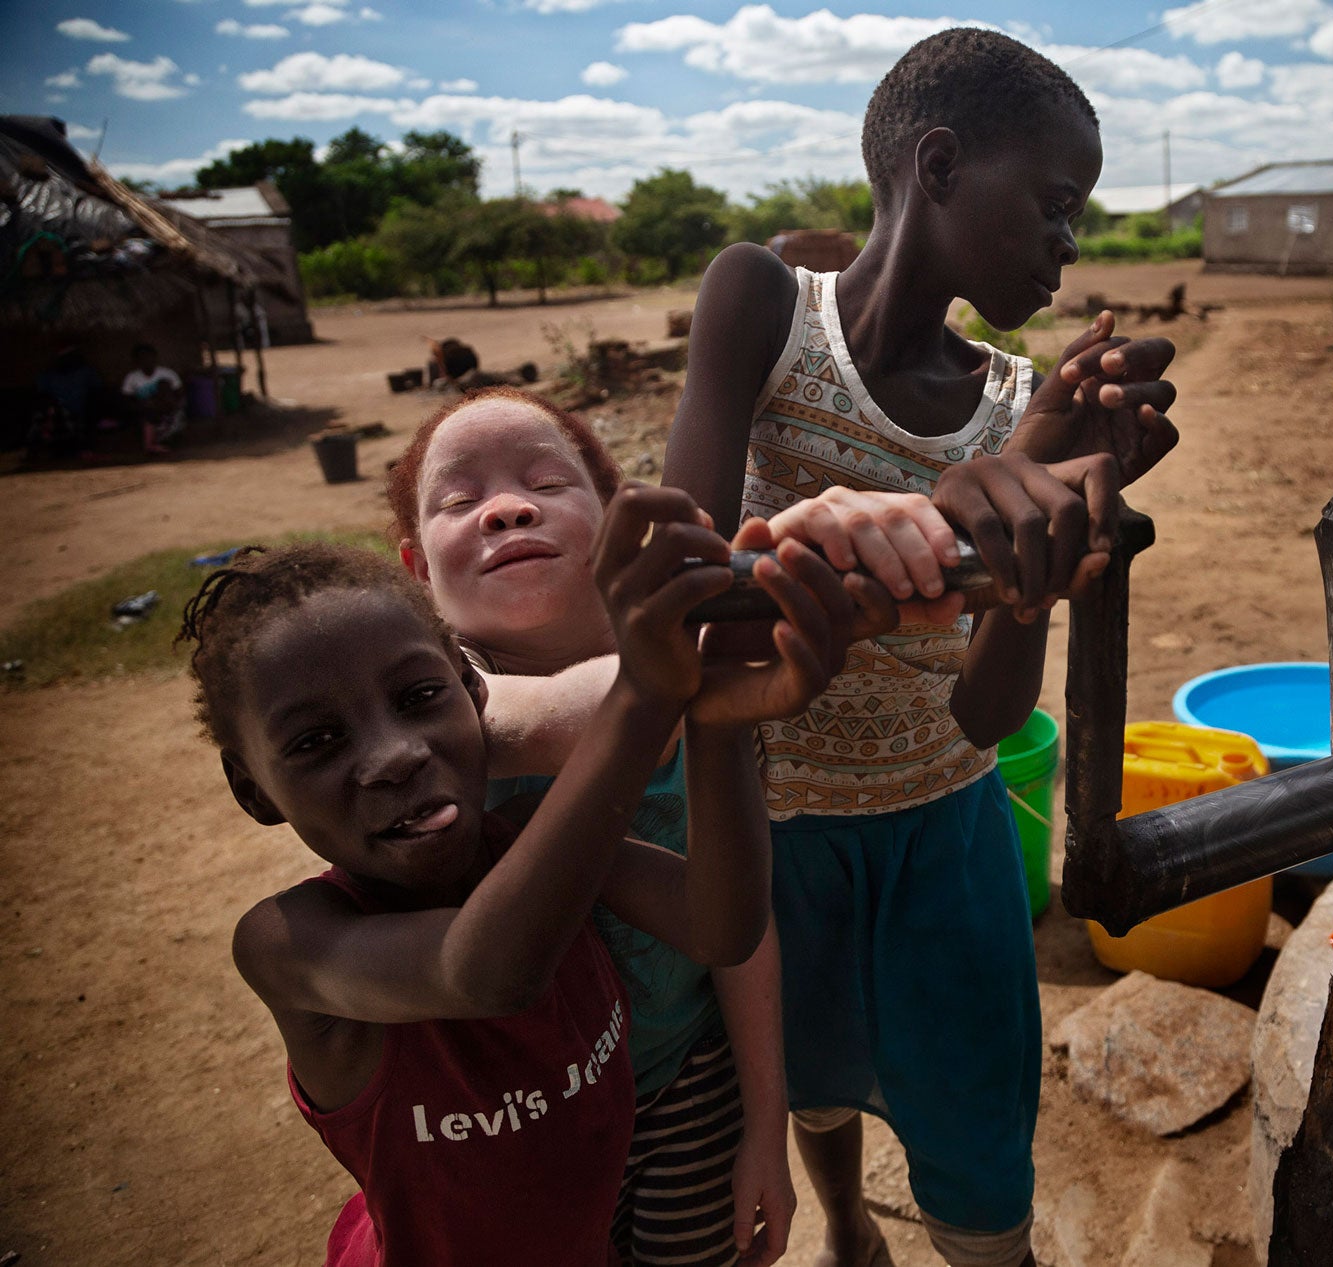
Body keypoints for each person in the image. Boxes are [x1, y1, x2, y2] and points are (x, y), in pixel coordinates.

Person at [668, 28, 1179, 1267]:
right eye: (1057, 206)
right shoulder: (763, 311)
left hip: (941, 822)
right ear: (938, 165)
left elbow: (984, 719)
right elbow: (682, 589)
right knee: (813, 1087)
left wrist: (1033, 569)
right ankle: (846, 1221)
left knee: (974, 1133)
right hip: (768, 820)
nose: (1072, 245)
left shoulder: (1016, 410)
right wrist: (948, 515)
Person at [182, 488, 853, 1265]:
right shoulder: (290, 942)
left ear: (474, 693)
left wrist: (719, 722)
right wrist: (644, 692)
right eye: (316, 741)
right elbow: (486, 971)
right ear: (253, 789)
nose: (394, 753)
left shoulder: (535, 845)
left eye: (419, 696)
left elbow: (723, 924)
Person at [386, 385, 800, 1267]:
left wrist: (768, 1124)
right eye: (458, 502)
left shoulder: (690, 677)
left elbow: (741, 923)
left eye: (545, 480)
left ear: (616, 523)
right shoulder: (428, 709)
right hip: (518, 1114)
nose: (505, 507)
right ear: (418, 570)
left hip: (690, 1075)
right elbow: (551, 716)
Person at [121, 342, 185, 456]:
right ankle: (151, 446)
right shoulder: (132, 378)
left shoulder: (167, 374)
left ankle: (157, 444)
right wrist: (144, 406)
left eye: (149, 356)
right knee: (148, 415)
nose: (146, 360)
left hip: (166, 408)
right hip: (145, 410)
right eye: (142, 357)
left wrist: (170, 405)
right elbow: (127, 400)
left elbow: (179, 395)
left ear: (155, 357)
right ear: (136, 361)